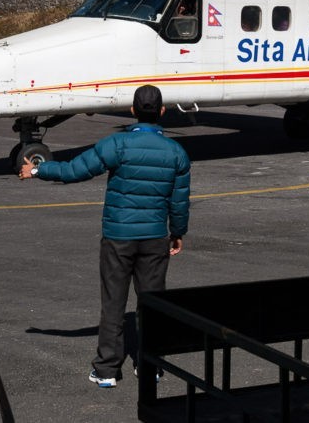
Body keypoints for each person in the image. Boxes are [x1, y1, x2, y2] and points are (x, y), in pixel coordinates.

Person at [18, 85, 190, 388]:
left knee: (113, 302)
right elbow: (179, 201)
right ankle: (149, 365)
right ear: (162, 112)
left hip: (118, 237)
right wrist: (177, 233)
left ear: (133, 111)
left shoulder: (118, 144)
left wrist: (37, 171)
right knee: (152, 302)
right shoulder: (176, 152)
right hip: (154, 239)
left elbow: (76, 170)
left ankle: (107, 369)